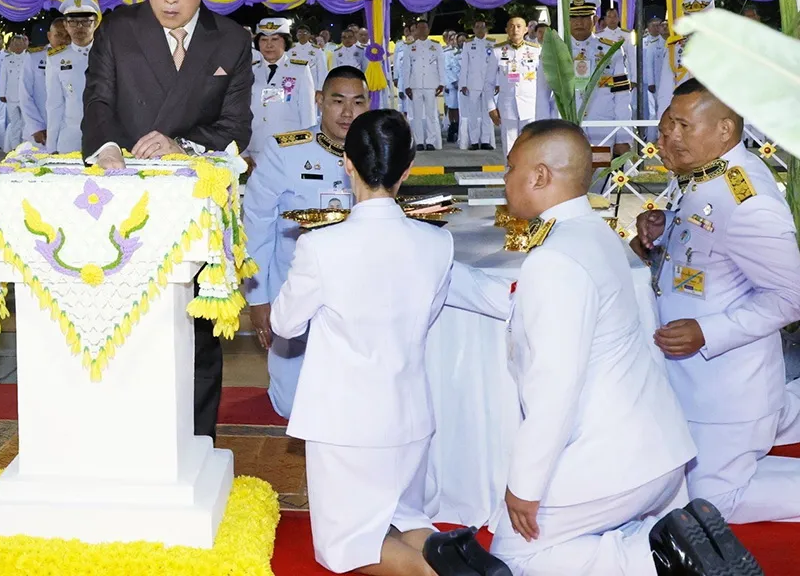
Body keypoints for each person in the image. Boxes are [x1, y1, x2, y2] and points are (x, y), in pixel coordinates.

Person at [474, 119, 754, 575]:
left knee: (515, 556)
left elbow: (554, 388)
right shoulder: (593, 230)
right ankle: (669, 537)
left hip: (618, 460)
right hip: (660, 448)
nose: (505, 179)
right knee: (573, 533)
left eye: (511, 168)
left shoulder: (555, 259)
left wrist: (524, 485)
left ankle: (658, 560)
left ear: (541, 176)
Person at [272, 109, 508, 576]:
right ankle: (464, 556)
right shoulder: (435, 244)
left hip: (345, 426)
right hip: (410, 416)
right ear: (406, 170)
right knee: (405, 516)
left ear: (347, 164)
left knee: (347, 547)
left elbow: (285, 325)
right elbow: (436, 308)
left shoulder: (321, 246)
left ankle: (440, 572)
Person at [80, 0, 252, 439]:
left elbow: (236, 128)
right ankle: (129, 439)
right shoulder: (119, 29)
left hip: (193, 204)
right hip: (126, 200)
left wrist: (183, 147)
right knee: (131, 323)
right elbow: (98, 103)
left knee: (196, 330)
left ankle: (198, 440)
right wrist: (108, 148)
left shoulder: (233, 40)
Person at [633, 81, 800, 525]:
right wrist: (662, 224)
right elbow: (708, 246)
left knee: (709, 503)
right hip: (693, 382)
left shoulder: (749, 202)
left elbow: (790, 297)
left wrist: (708, 332)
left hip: (725, 389)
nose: (667, 138)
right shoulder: (708, 173)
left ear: (725, 129)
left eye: (683, 126)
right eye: (667, 125)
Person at [243, 66, 370, 419]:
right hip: (293, 296)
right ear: (319, 102)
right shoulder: (286, 151)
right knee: (290, 405)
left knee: (354, 404)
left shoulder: (377, 152)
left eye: (357, 102)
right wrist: (258, 297)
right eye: (337, 101)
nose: (347, 113)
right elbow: (257, 223)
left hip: (358, 299)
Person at [534, 0, 631, 156]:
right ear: (566, 19)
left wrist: (623, 136)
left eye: (585, 16)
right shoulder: (554, 51)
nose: (579, 22)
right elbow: (542, 95)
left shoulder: (611, 51)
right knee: (568, 178)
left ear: (594, 20)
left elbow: (622, 95)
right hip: (564, 128)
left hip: (602, 129)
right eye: (573, 17)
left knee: (602, 178)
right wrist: (543, 132)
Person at [244, 19, 316, 162]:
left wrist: (306, 150)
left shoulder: (300, 70)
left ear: (286, 42)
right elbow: (242, 113)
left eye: (275, 39)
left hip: (288, 149)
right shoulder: (249, 70)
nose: (269, 45)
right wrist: (244, 152)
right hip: (255, 148)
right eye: (263, 39)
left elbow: (307, 114)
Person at [46, 0, 102, 154]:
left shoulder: (109, 53)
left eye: (86, 22)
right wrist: (51, 147)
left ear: (96, 23)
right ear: (65, 25)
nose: (79, 27)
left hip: (105, 137)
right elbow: (54, 105)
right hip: (70, 137)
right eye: (73, 22)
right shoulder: (56, 59)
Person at [654, 0, 715, 133]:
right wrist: (664, 126)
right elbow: (665, 91)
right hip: (683, 121)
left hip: (713, 118)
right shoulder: (674, 50)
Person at [488, 16, 540, 155]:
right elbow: (489, 82)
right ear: (506, 30)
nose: (515, 29)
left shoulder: (536, 51)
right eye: (511, 26)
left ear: (526, 30)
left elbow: (543, 81)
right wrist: (491, 107)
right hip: (507, 106)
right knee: (509, 145)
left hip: (530, 106)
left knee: (530, 145)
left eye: (518, 26)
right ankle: (509, 174)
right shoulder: (497, 51)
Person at [20, 18, 68, 147]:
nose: (63, 40)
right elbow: (25, 95)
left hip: (68, 131)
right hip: (41, 131)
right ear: (49, 35)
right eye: (59, 35)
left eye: (67, 35)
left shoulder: (77, 58)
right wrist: (35, 127)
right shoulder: (34, 57)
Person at [402, 19, 446, 151]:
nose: (422, 30)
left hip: (431, 84)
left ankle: (431, 141)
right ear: (415, 30)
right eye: (419, 28)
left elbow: (441, 65)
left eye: (424, 28)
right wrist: (407, 85)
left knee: (431, 114)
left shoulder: (436, 45)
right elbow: (406, 68)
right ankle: (419, 141)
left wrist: (442, 83)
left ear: (428, 30)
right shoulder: (410, 47)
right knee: (416, 115)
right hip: (415, 85)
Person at [458, 19, 496, 150]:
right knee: (473, 113)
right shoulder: (468, 44)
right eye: (477, 27)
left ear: (486, 29)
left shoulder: (492, 43)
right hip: (472, 83)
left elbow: (496, 66)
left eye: (482, 27)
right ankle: (474, 141)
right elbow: (464, 66)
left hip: (488, 83)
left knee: (487, 112)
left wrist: (497, 82)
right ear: (473, 30)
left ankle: (485, 140)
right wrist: (463, 83)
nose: (480, 29)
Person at [0, 35, 29, 152]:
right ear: (11, 45)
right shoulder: (7, 59)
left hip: (26, 96)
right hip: (11, 96)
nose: (18, 46)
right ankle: (15, 147)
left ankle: (26, 147)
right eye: (15, 44)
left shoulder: (29, 57)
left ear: (24, 44)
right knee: (14, 123)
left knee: (26, 123)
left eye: (20, 43)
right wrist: (1, 93)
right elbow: (3, 78)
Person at [288, 23, 328, 98]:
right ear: (296, 35)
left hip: (312, 85)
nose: (302, 35)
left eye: (305, 33)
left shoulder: (317, 50)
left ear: (309, 35)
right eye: (299, 32)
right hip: (293, 85)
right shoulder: (290, 49)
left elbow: (322, 70)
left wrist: (320, 89)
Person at [443, 31, 461, 144]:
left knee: (460, 108)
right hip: (452, 84)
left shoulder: (463, 51)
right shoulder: (446, 53)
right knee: (452, 107)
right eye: (453, 39)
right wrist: (454, 81)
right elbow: (447, 68)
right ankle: (453, 127)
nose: (455, 41)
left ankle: (459, 127)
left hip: (464, 84)